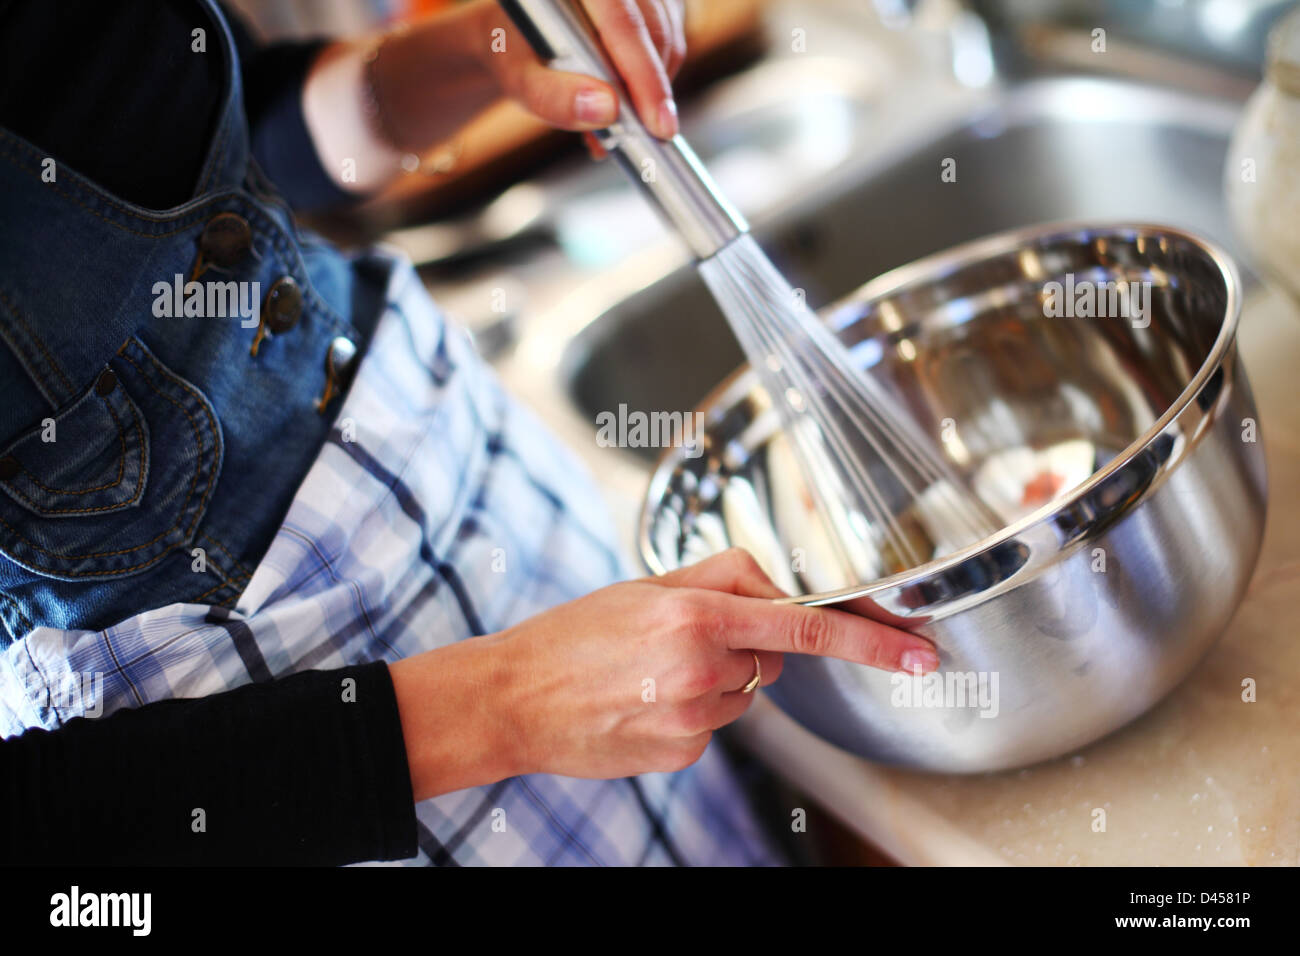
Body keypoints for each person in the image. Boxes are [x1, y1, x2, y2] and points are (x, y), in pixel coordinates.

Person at [0, 0, 939, 866]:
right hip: (326, 788)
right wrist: (507, 702)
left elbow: (238, 149)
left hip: (501, 524)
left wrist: (473, 56)